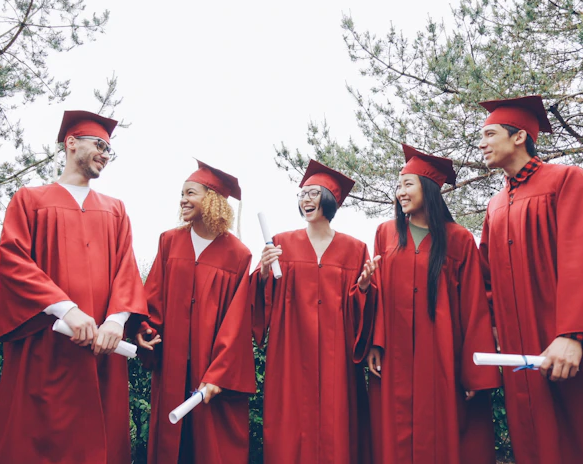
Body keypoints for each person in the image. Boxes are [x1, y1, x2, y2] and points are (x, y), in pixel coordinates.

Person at [477, 95, 583, 464]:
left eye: (490, 134)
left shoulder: (567, 180)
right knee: (536, 443)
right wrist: (492, 326)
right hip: (523, 355)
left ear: (520, 136)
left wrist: (574, 334)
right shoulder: (494, 206)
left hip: (573, 347)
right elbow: (486, 279)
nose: (481, 143)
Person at [0, 110, 148, 464]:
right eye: (99, 144)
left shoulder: (115, 209)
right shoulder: (30, 199)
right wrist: (66, 309)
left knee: (100, 440)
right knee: (37, 441)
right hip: (47, 343)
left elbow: (127, 268)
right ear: (71, 143)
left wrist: (115, 322)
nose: (106, 154)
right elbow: (13, 260)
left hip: (102, 349)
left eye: (110, 149)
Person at [366, 144, 501, 464]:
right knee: (395, 435)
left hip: (442, 356)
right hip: (395, 356)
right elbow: (378, 291)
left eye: (407, 184)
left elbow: (474, 309)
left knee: (443, 434)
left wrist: (474, 373)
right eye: (398, 186)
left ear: (428, 188)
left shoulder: (458, 239)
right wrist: (375, 342)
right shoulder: (386, 233)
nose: (400, 192)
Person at [253, 160, 378, 463]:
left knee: (338, 423)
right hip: (291, 352)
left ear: (330, 199)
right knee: (290, 422)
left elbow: (364, 311)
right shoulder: (281, 243)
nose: (305, 200)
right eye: (302, 194)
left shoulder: (355, 249)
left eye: (312, 193)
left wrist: (362, 289)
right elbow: (260, 298)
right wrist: (265, 270)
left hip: (337, 356)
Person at [135, 160, 255, 464]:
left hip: (210, 372)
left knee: (208, 446)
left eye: (191, 193)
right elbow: (153, 298)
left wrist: (218, 373)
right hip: (172, 364)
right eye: (182, 193)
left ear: (212, 199)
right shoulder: (169, 241)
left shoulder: (238, 255)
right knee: (170, 443)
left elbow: (237, 322)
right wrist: (145, 330)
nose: (183, 200)